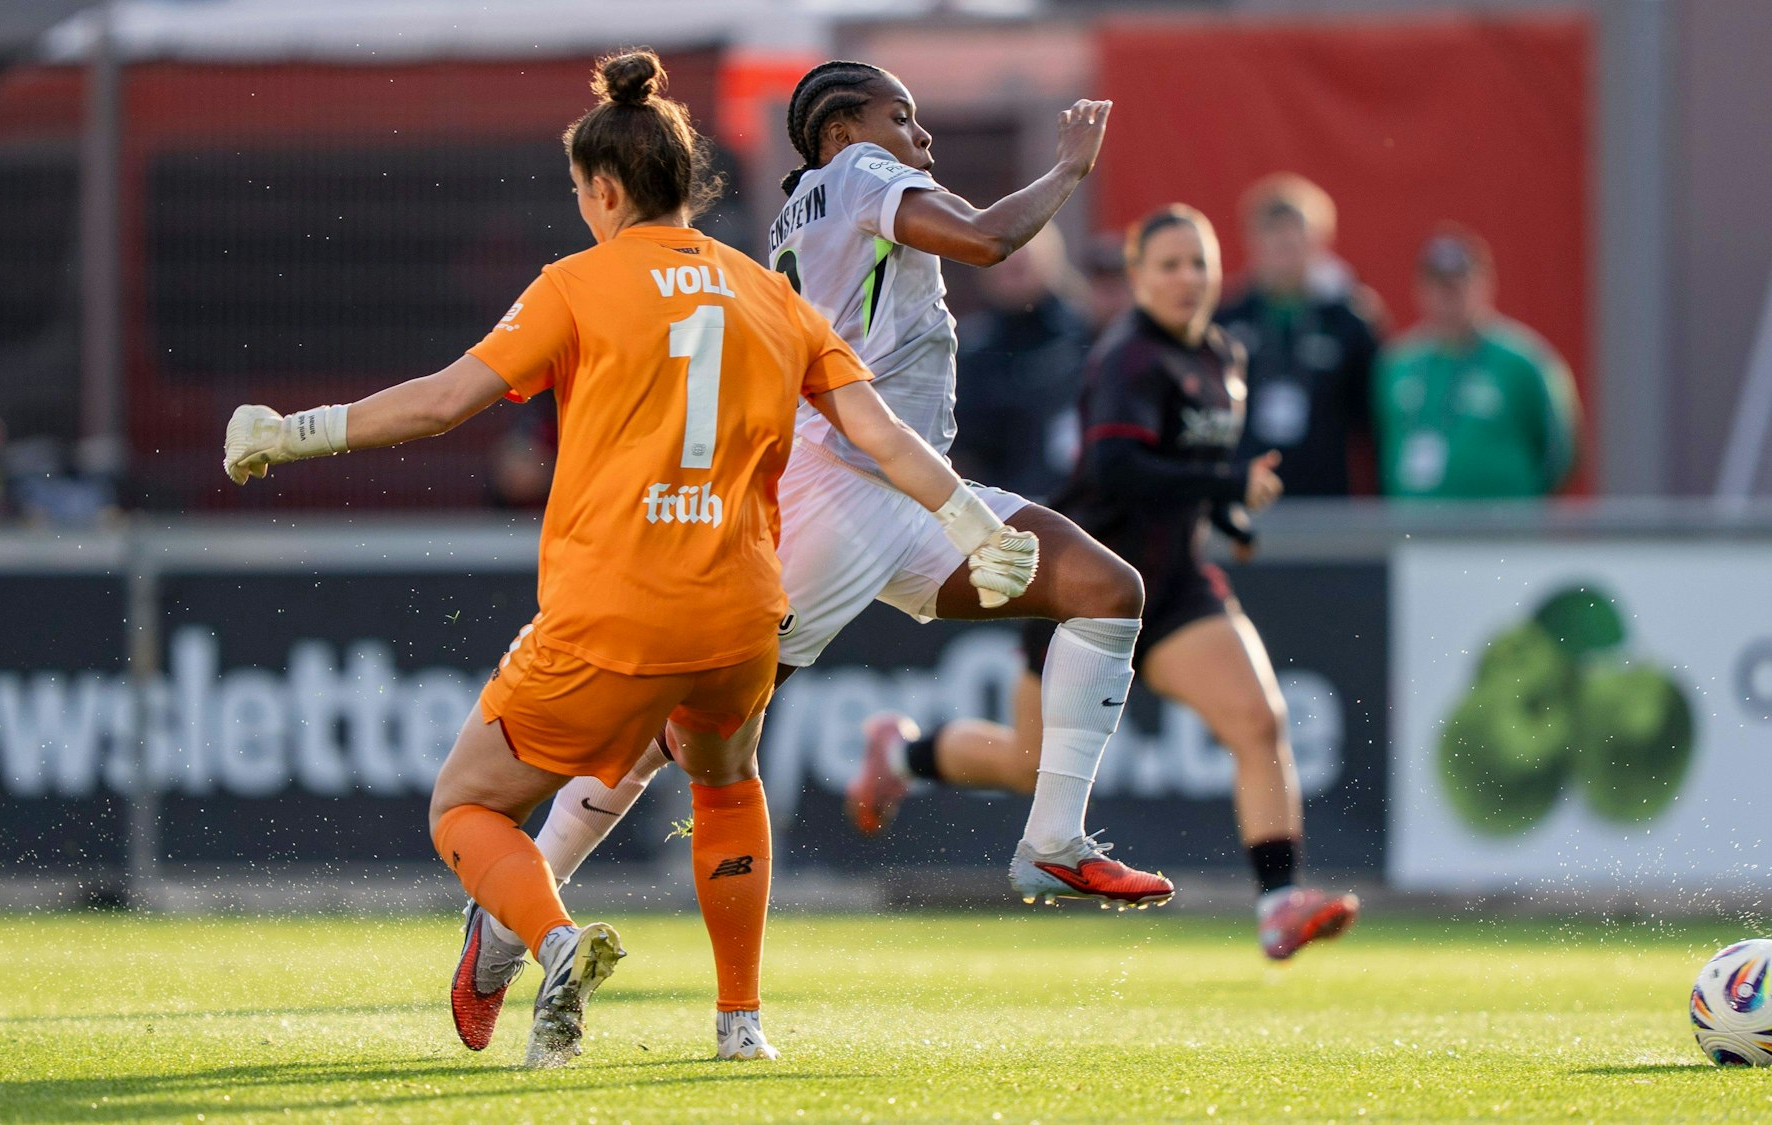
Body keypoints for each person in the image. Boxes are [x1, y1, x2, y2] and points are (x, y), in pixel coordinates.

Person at [218, 49, 1037, 1067]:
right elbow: (879, 436)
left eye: (580, 194)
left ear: (604, 188)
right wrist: (972, 526)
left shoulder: (575, 284)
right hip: (740, 616)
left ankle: (554, 942)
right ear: (689, 186)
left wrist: (293, 432)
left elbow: (440, 402)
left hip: (613, 615)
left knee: (466, 804)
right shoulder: (772, 295)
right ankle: (740, 1027)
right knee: (726, 787)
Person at [501, 58, 1173, 939]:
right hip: (847, 490)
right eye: (904, 116)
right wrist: (1068, 171)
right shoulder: (859, 171)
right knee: (687, 720)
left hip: (905, 485)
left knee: (1103, 590)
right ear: (843, 130)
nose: (921, 138)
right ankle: (517, 907)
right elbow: (985, 239)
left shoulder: (803, 205)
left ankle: (1052, 838)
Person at [846, 205, 1361, 956]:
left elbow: (1189, 479)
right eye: (1169, 265)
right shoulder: (1128, 358)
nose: (1187, 278)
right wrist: (1223, 483)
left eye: (1199, 263)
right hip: (1086, 591)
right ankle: (902, 753)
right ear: (1140, 276)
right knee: (1028, 764)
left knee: (1260, 722)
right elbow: (1119, 468)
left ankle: (1279, 901)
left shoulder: (1222, 354)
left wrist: (1234, 514)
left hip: (1176, 588)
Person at [1372, 225, 1581, 499]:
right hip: (1419, 529)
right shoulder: (1398, 363)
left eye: (1460, 283)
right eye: (1439, 283)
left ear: (1485, 283)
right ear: (1419, 288)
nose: (1449, 295)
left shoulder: (1522, 360)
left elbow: (1561, 451)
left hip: (1499, 532)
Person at [1216, 174, 1383, 496]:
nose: (1284, 251)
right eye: (1274, 238)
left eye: (1294, 240)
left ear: (1319, 242)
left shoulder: (1348, 321)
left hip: (1325, 500)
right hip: (1242, 495)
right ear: (1253, 241)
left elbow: (1372, 425)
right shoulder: (1227, 319)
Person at [950, 224, 1091, 498]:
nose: (1012, 267)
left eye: (1022, 263)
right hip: (998, 507)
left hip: (1073, 506)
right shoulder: (968, 347)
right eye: (1004, 261)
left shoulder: (1083, 335)